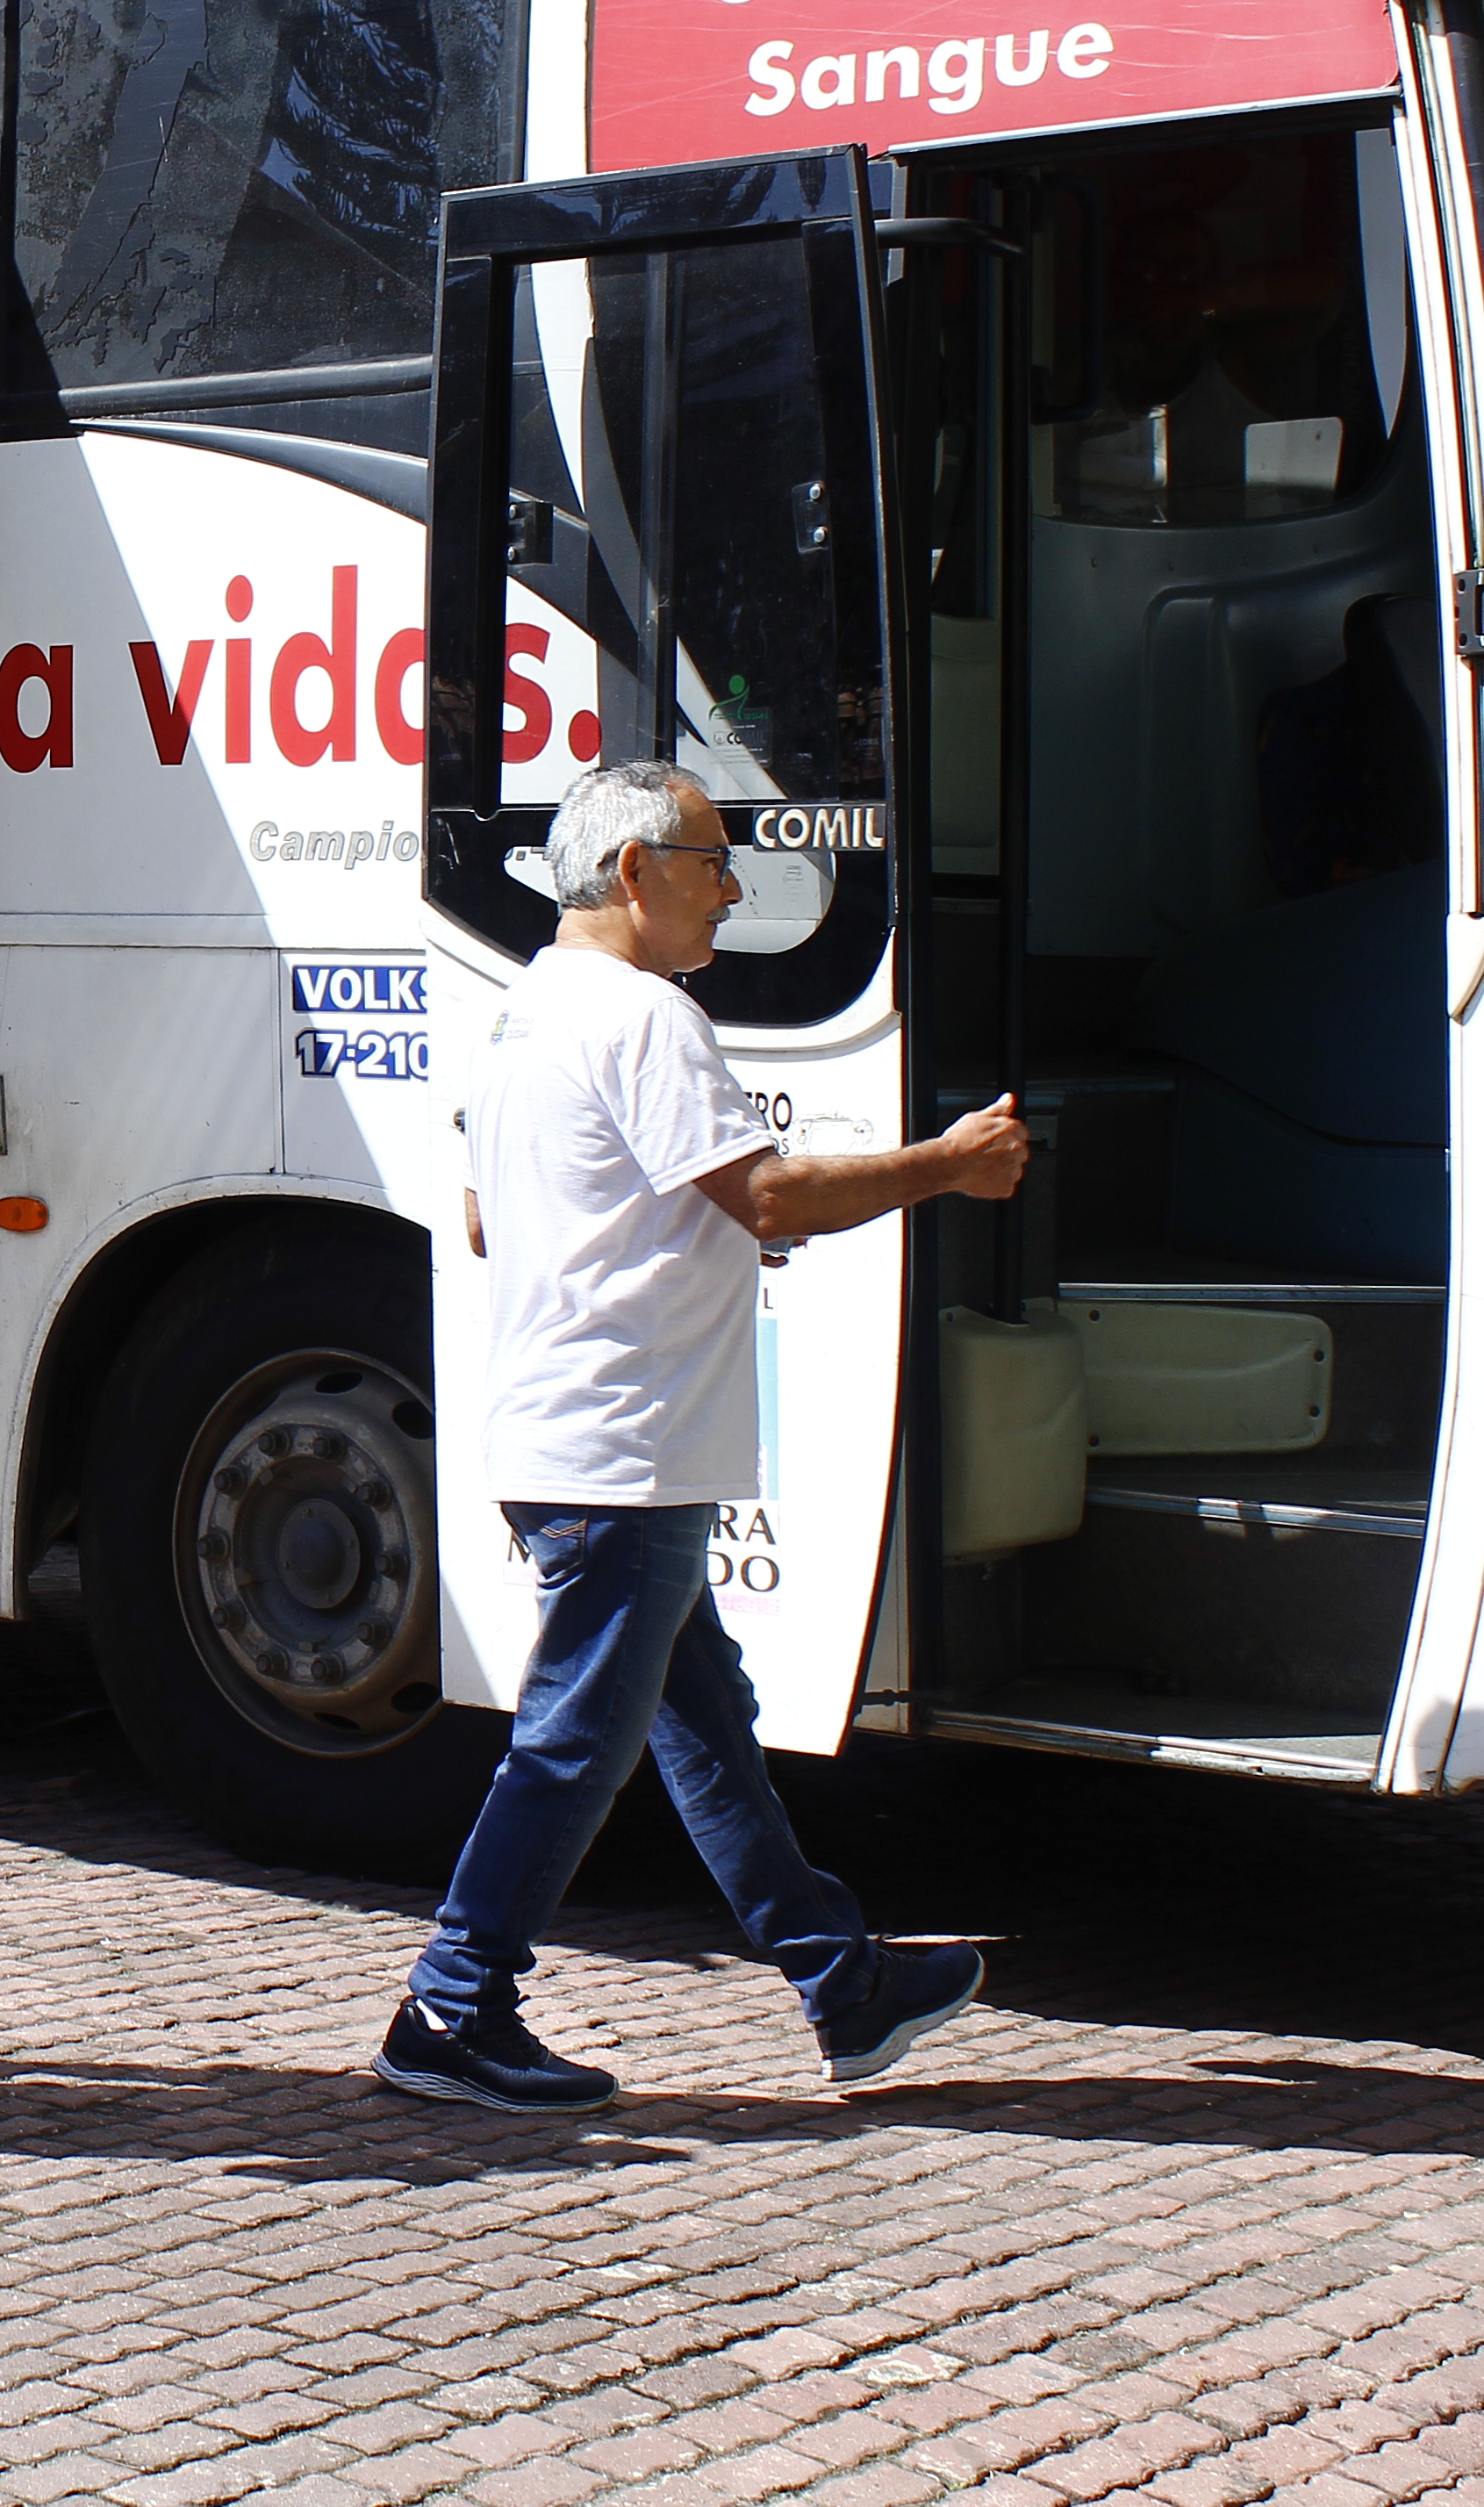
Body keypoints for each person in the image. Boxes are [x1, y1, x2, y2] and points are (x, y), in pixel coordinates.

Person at [376, 761, 1031, 2115]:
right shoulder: (644, 1018)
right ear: (633, 874)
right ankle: (451, 2006)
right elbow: (770, 1196)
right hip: (627, 1448)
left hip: (578, 1435)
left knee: (704, 1731)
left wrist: (664, 1243)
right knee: (574, 1747)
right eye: (713, 860)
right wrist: (947, 1164)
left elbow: (506, 1218)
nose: (734, 887)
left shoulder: (526, 1016)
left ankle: (842, 1986)